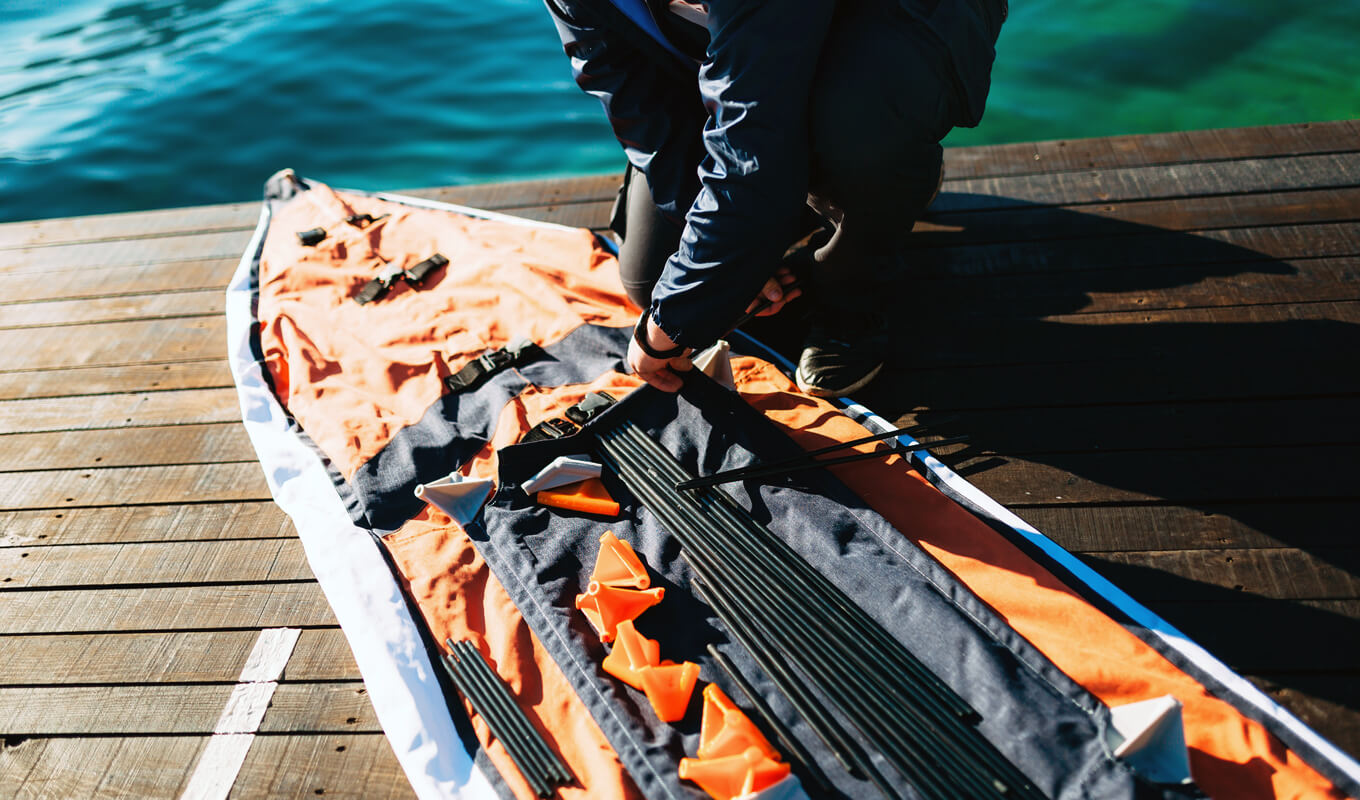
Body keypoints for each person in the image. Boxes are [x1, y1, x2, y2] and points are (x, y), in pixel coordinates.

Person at [545, 0, 1006, 395]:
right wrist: (725, 262)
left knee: (859, 130)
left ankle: (854, 301)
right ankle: (816, 205)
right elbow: (640, 111)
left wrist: (659, 334)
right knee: (653, 280)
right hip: (741, 58)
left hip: (894, 27)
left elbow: (753, 155)